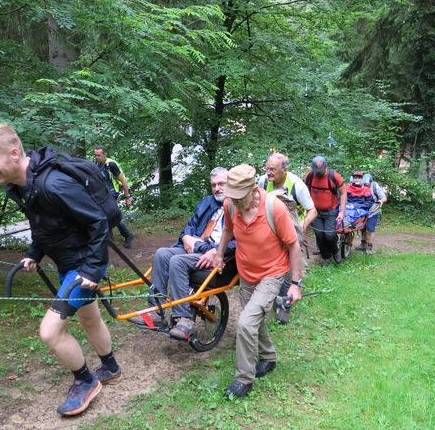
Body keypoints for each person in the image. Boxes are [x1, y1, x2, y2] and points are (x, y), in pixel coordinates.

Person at [0, 124, 121, 417]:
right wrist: (34, 253)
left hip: (81, 265)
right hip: (69, 261)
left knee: (50, 332)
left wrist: (91, 269)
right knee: (90, 318)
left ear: (14, 153)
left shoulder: (53, 185)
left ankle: (85, 381)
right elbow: (43, 226)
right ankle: (111, 367)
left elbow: (98, 223)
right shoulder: (23, 185)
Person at [209, 164, 302, 398]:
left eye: (240, 197)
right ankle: (269, 358)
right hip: (247, 273)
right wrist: (219, 253)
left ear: (253, 189)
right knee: (255, 319)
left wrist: (295, 284)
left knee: (245, 323)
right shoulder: (230, 206)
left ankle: (244, 379)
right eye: (233, 197)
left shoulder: (274, 209)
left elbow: (293, 245)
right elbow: (228, 231)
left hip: (272, 273)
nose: (236, 203)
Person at [128, 167, 235, 341]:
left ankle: (184, 318)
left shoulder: (237, 206)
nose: (217, 188)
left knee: (177, 261)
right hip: (194, 249)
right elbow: (189, 227)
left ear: (231, 184)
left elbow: (239, 241)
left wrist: (211, 249)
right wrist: (186, 237)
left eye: (222, 184)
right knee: (162, 254)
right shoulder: (206, 203)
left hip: (217, 255)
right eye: (214, 185)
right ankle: (156, 311)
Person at [258, 152, 316, 324]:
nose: (269, 173)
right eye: (267, 168)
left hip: (290, 226)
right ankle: (266, 299)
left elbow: (312, 210)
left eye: (273, 170)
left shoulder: (297, 185)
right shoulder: (262, 181)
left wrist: (302, 227)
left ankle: (285, 305)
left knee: (290, 268)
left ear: (284, 170)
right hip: (269, 227)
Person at [304, 156, 347, 265]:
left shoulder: (334, 176)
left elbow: (343, 193)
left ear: (325, 167)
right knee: (319, 235)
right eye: (316, 171)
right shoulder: (309, 176)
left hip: (331, 211)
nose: (318, 173)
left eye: (320, 170)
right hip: (315, 212)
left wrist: (342, 212)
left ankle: (335, 251)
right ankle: (326, 257)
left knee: (329, 235)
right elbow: (305, 192)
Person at [93, 146, 135, 249]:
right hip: (102, 193)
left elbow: (123, 180)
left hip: (112, 192)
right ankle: (110, 236)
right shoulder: (95, 164)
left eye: (99, 155)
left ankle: (127, 235)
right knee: (103, 214)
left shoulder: (111, 164)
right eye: (95, 155)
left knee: (109, 214)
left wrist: (127, 197)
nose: (96, 157)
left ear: (104, 154)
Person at [348, 171, 387, 255]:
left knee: (370, 229)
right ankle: (363, 244)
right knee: (362, 228)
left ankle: (369, 247)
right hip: (362, 210)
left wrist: (380, 201)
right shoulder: (356, 186)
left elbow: (384, 197)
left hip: (373, 211)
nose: (365, 186)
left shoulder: (374, 185)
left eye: (367, 184)